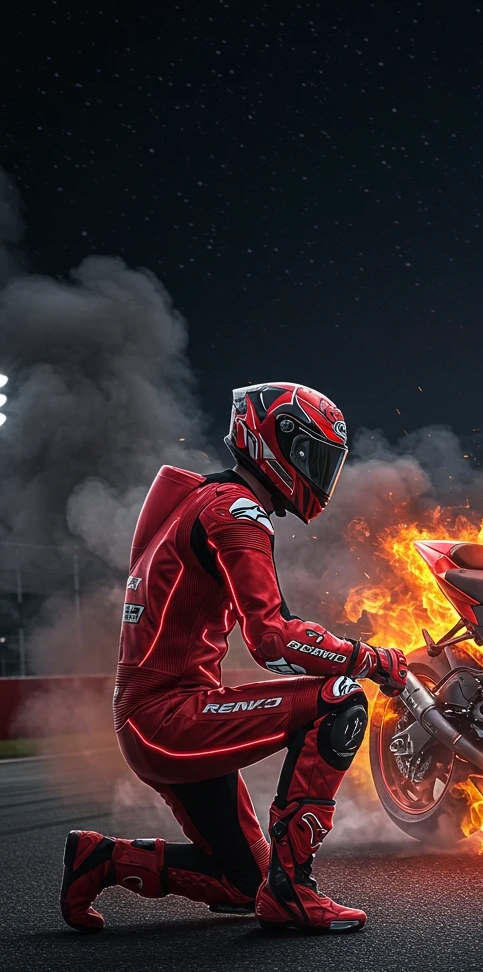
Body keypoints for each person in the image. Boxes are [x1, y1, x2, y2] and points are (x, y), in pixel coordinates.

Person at [60, 383, 407, 934]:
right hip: (169, 720)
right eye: (313, 456)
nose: (320, 475)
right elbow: (272, 639)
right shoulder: (236, 512)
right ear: (277, 445)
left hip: (158, 718)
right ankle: (295, 892)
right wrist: (366, 658)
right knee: (340, 699)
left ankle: (100, 859)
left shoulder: (205, 501)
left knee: (243, 881)